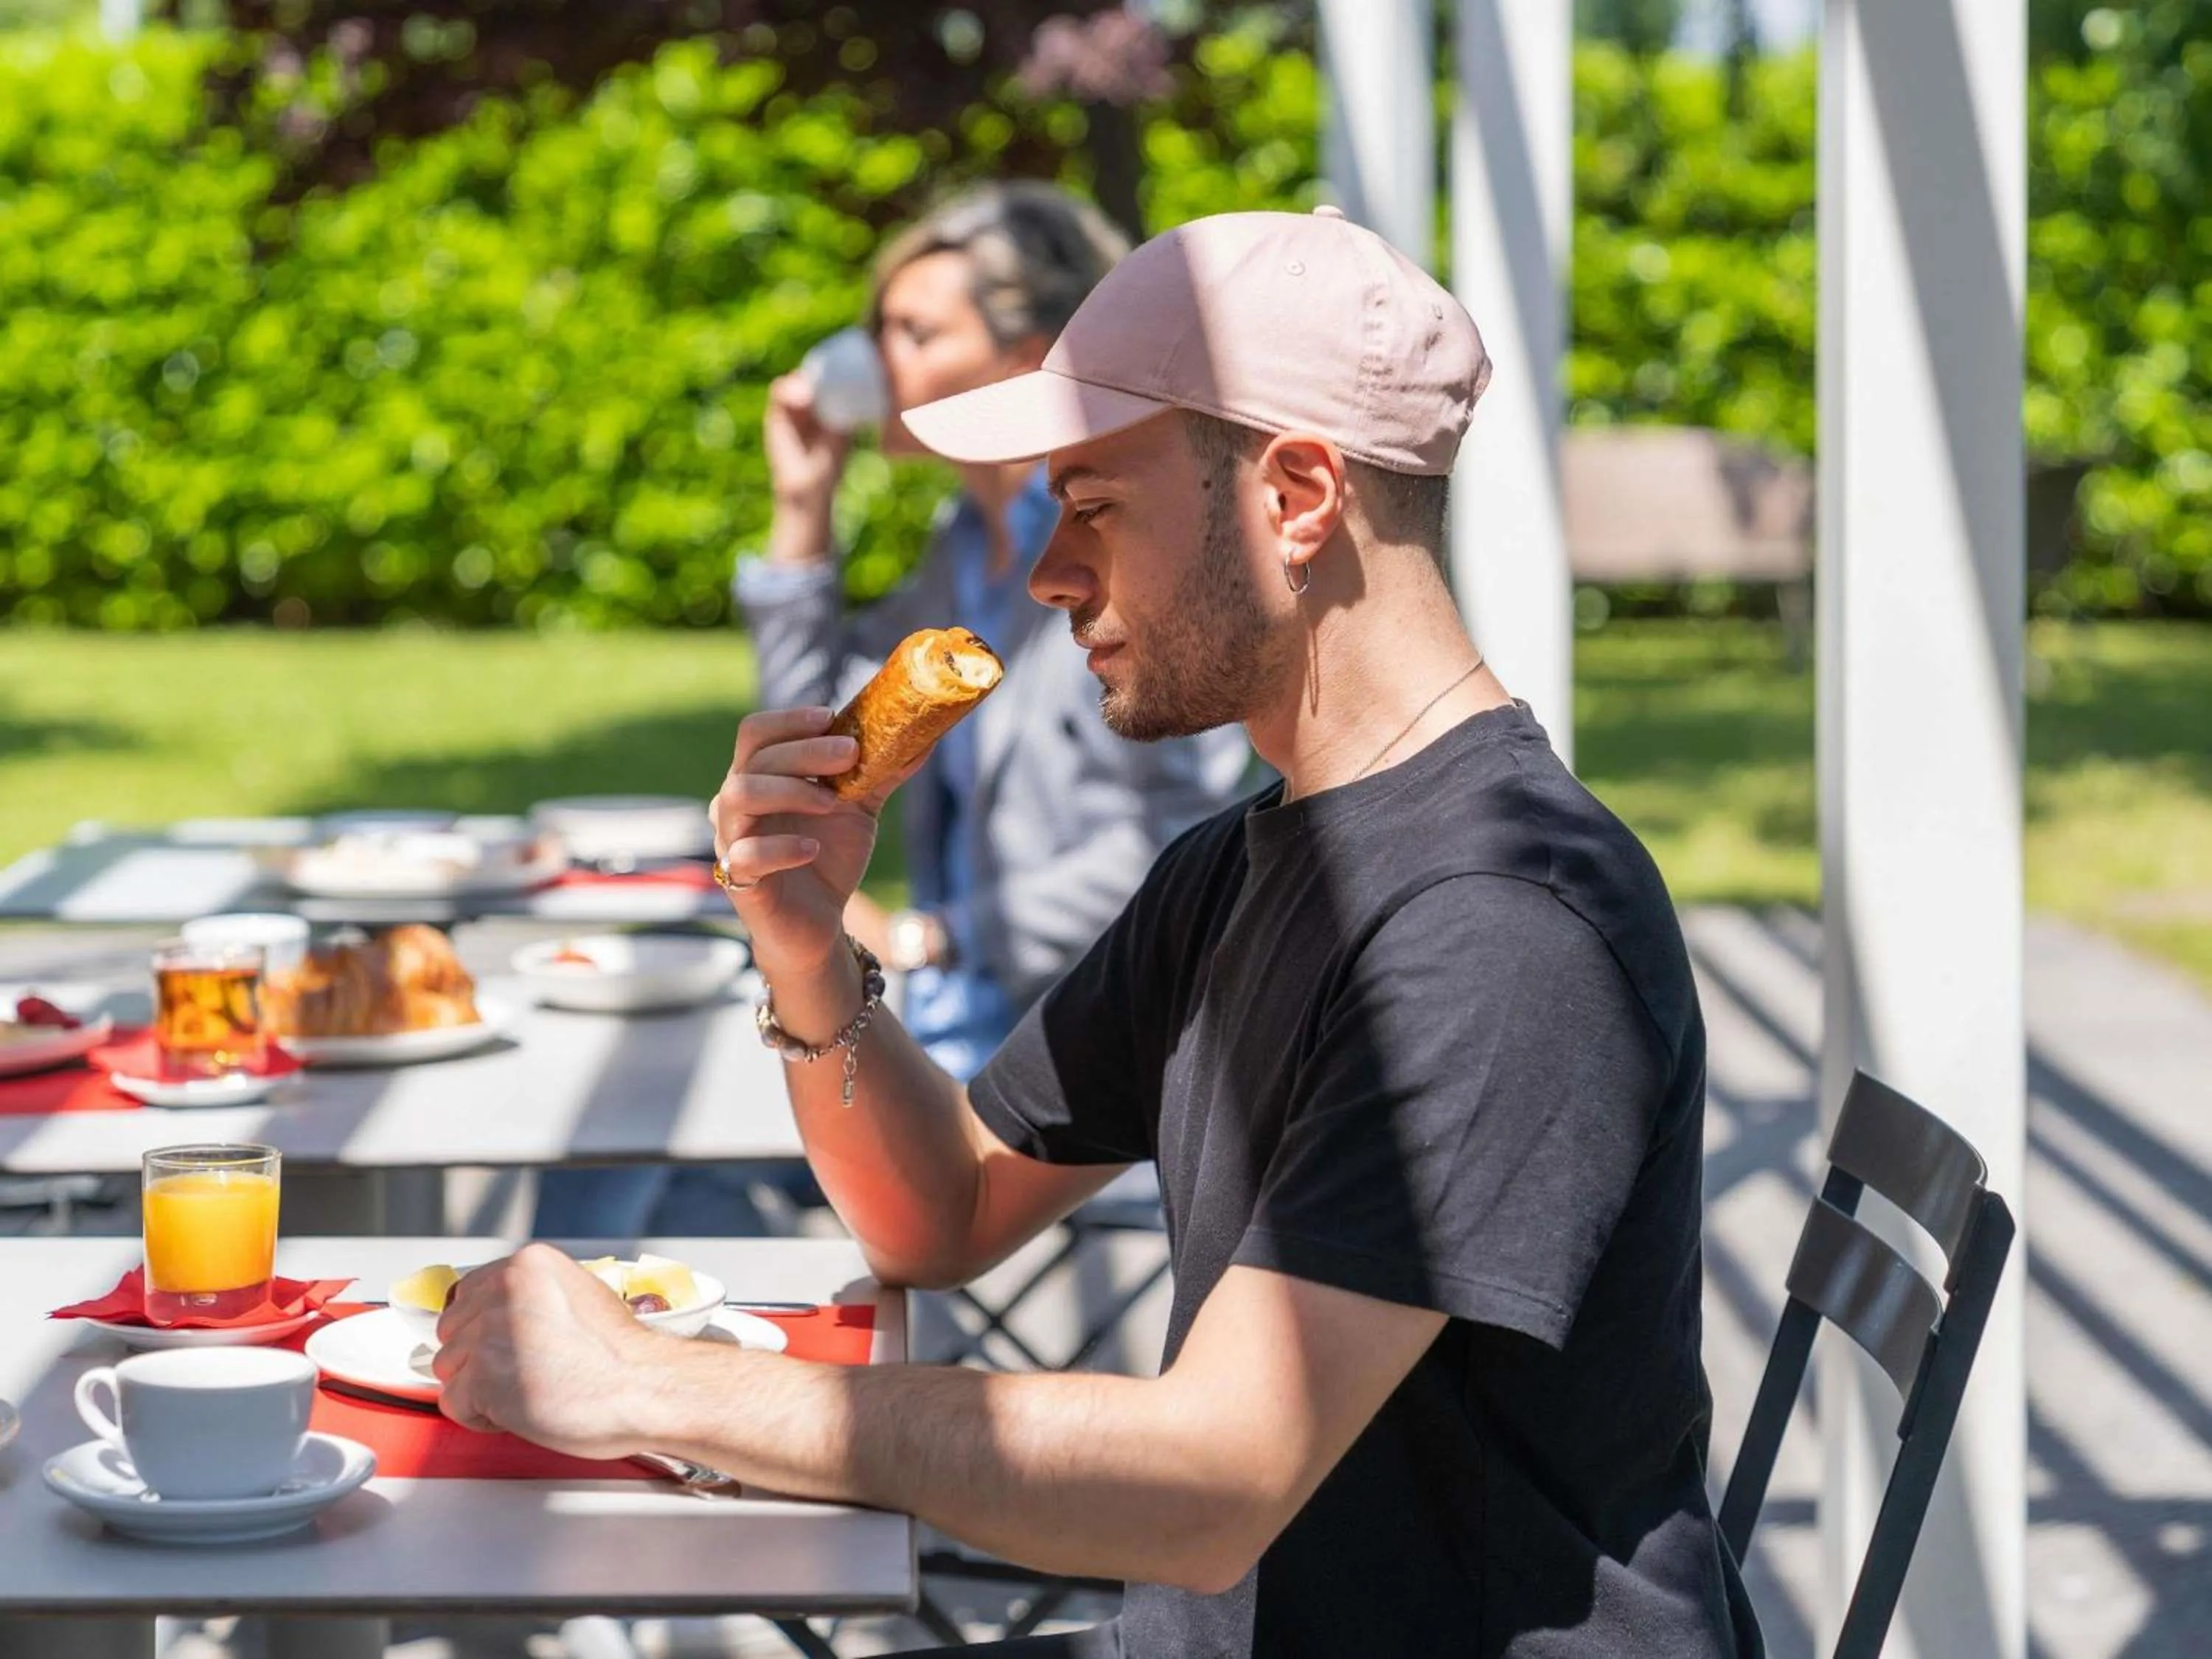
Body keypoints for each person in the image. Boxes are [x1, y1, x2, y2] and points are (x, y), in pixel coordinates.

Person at [439, 206, 1764, 1658]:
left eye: (1095, 505)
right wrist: (808, 951)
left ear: (1300, 493)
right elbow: (940, 1211)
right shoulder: (1248, 863)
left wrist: (645, 1385)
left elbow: (1210, 1481)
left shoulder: (1501, 923)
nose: (1050, 575)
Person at [532, 182, 1247, 1239]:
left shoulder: (1126, 557)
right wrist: (800, 512)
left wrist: (932, 935)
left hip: (1055, 1048)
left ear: (1032, 355)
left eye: (914, 329)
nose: (876, 358)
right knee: (634, 1111)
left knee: (661, 1150)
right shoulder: (967, 550)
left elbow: (1174, 850)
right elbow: (824, 746)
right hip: (943, 1018)